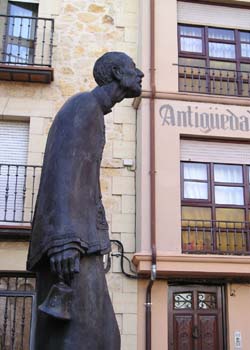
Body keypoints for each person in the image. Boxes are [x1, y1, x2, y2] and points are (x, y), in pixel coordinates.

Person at [27, 52, 144, 350]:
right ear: (117, 72)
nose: (140, 73)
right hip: (73, 244)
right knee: (85, 336)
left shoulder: (91, 110)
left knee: (104, 335)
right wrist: (66, 240)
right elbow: (64, 168)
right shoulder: (83, 107)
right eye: (133, 69)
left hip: (81, 240)